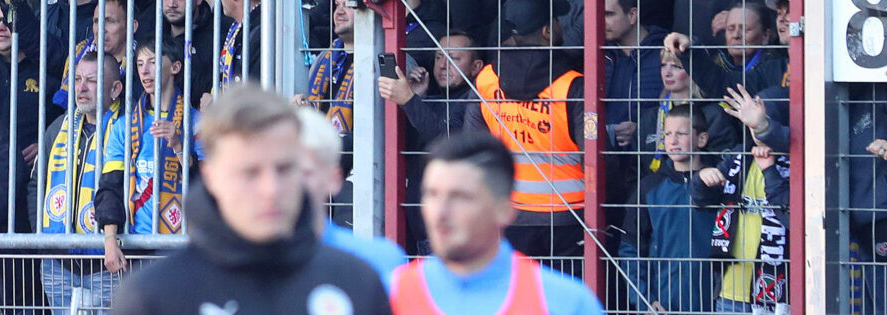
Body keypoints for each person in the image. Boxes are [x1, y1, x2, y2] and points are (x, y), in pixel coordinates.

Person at [111, 83, 389, 315]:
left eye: (284, 168)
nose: (270, 189)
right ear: (211, 176)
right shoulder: (154, 296)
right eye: (249, 172)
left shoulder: (356, 283)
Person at [392, 132, 604, 315]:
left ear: (504, 210)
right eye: (432, 194)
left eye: (460, 197)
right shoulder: (389, 295)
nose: (441, 212)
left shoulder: (566, 304)